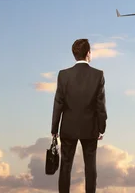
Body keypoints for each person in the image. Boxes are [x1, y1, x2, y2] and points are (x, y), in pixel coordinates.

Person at [51, 38, 107, 193]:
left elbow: (58, 103)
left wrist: (54, 128)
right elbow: (100, 105)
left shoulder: (63, 75)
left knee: (65, 167)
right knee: (90, 168)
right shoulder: (98, 75)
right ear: (88, 53)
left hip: (68, 127)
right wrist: (101, 128)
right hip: (90, 128)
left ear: (74, 54)